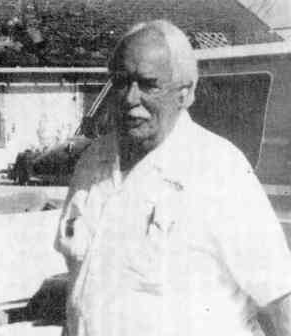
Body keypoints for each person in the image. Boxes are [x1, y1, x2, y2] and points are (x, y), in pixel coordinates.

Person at [55, 20, 291, 336]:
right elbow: (79, 294)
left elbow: (280, 301)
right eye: (122, 82)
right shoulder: (91, 163)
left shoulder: (219, 169)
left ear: (185, 93)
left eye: (148, 84)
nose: (130, 98)